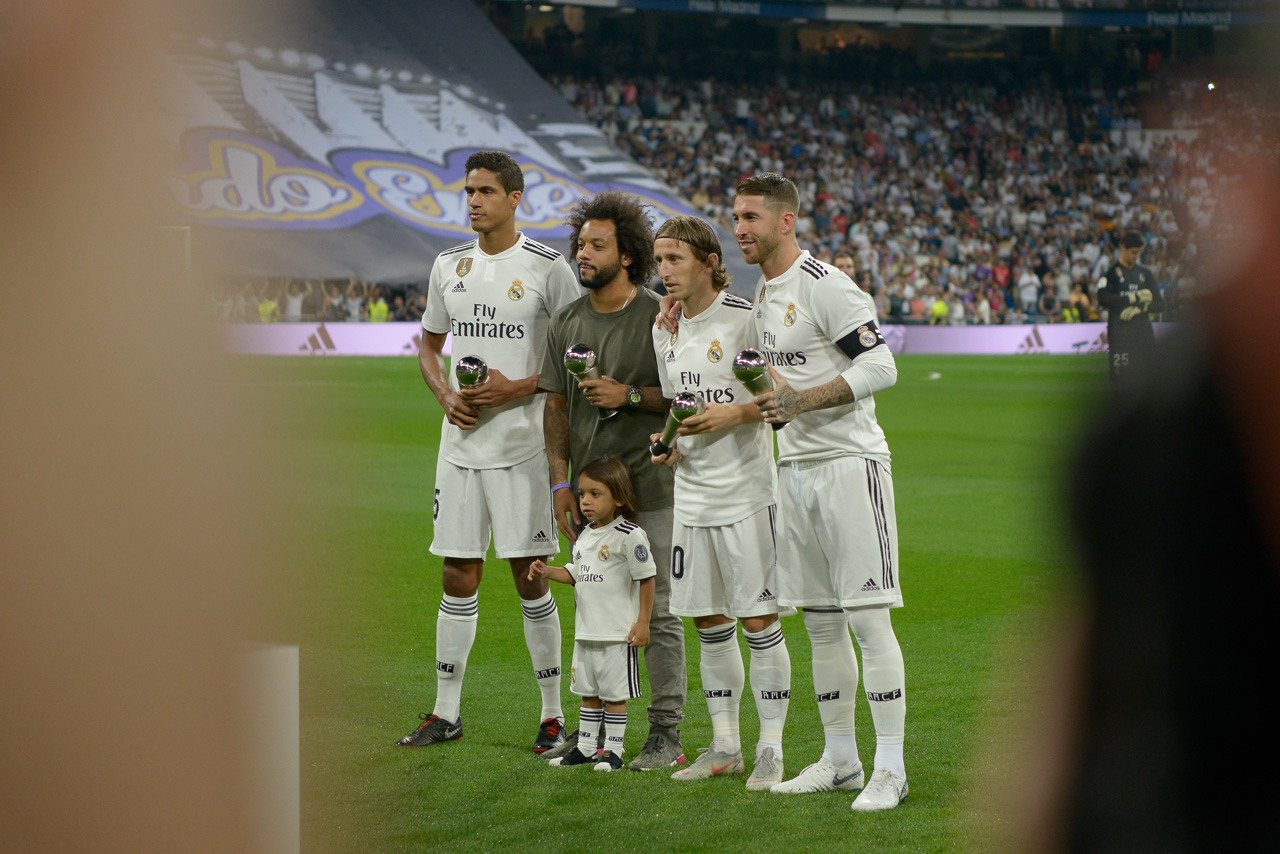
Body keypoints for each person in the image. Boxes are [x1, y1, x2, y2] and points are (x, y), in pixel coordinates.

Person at [735, 173, 909, 811]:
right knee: (821, 624)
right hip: (796, 470)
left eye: (751, 217)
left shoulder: (825, 284)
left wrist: (798, 401)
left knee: (866, 617)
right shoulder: (762, 292)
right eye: (736, 217)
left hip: (849, 465)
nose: (740, 228)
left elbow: (882, 366)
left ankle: (890, 768)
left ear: (786, 222)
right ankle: (840, 759)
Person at [397, 150, 580, 752]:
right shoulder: (448, 265)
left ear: (514, 199)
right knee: (457, 572)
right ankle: (445, 712)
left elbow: (577, 357)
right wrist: (444, 392)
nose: (473, 201)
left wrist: (517, 386)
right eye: (469, 191)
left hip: (525, 445)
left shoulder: (549, 269)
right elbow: (428, 345)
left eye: (484, 192)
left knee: (530, 578)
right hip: (461, 446)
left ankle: (553, 714)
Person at [539, 190, 687, 771]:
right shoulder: (567, 320)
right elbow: (555, 407)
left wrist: (628, 395)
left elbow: (683, 398)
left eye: (597, 246)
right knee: (595, 607)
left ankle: (665, 734)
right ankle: (593, 733)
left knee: (662, 613)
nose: (583, 254)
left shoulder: (657, 316)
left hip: (649, 491)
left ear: (628, 255)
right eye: (580, 244)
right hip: (588, 500)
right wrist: (560, 484)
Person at [648, 214, 793, 790]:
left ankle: (772, 748)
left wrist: (736, 412)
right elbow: (679, 403)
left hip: (747, 493)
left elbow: (782, 399)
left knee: (758, 620)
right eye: (659, 260)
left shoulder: (747, 318)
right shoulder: (666, 328)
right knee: (709, 622)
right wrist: (668, 443)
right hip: (692, 496)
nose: (664, 271)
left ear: (710, 262)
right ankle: (726, 745)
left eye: (675, 259)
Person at [530, 456, 656, 772]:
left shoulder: (630, 535)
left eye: (595, 494)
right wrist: (547, 571)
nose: (585, 501)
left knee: (613, 697)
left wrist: (643, 622)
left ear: (619, 498)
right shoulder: (585, 535)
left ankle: (613, 751)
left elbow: (647, 578)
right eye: (582, 493)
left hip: (616, 635)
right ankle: (587, 748)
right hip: (586, 633)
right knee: (588, 694)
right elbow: (576, 573)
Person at [1097, 230, 1163, 382]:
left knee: (1151, 381)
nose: (1137, 256)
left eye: (1139, 252)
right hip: (1120, 334)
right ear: (1123, 247)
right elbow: (1103, 299)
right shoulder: (1109, 274)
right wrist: (1132, 297)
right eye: (1134, 252)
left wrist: (1141, 308)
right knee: (1121, 382)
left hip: (1144, 334)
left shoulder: (1145, 274)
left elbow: (1160, 305)